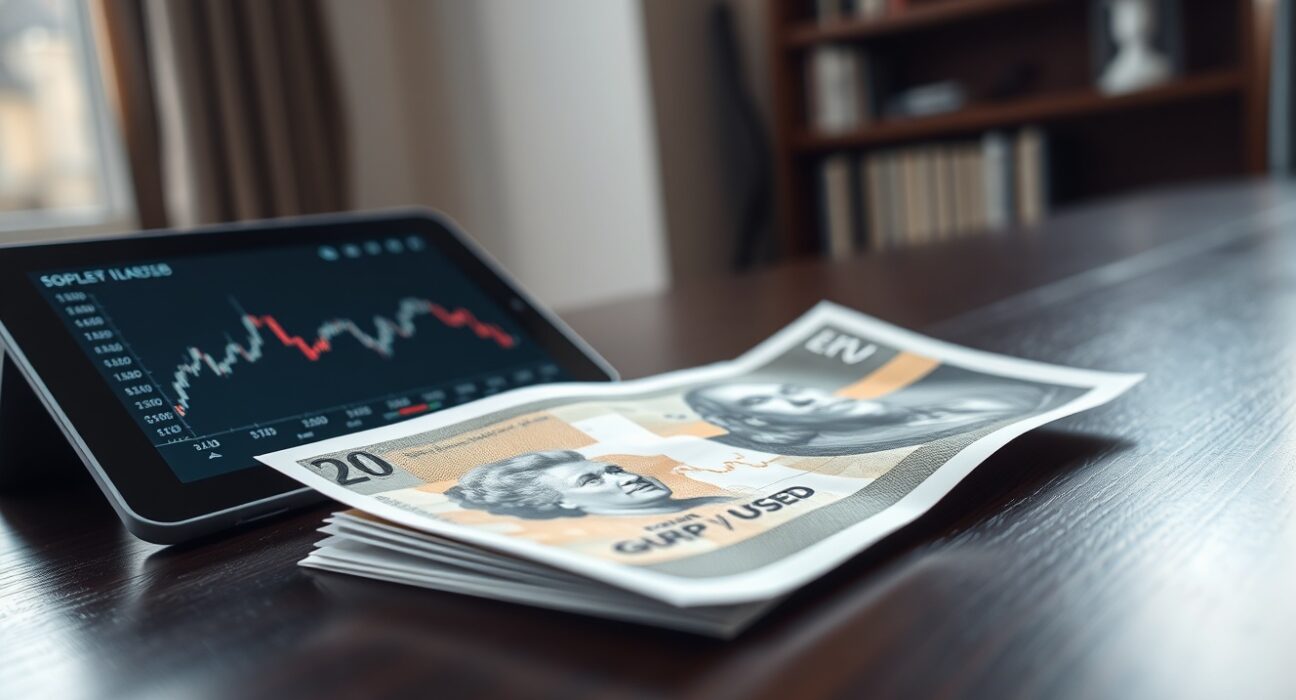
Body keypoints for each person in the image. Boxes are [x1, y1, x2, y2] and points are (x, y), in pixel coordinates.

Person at [683, 378, 1053, 456]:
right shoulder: (858, 446)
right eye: (762, 401)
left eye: (790, 388)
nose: (802, 399)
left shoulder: (999, 393)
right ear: (760, 424)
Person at [445, 449, 728, 519]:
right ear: (562, 501)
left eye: (614, 470)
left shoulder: (722, 501)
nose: (629, 477)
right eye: (590, 480)